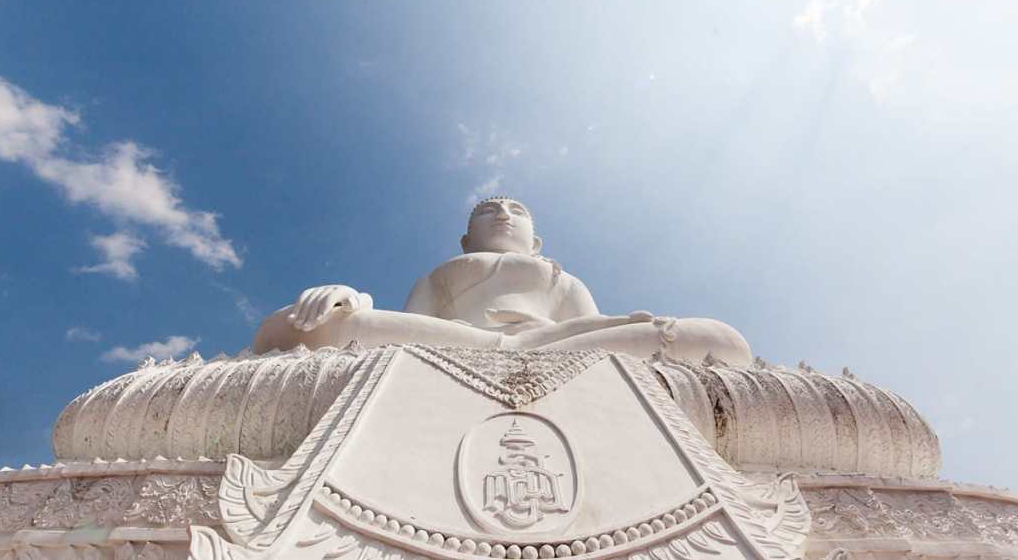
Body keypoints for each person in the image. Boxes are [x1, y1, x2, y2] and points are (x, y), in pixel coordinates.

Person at [252, 197, 752, 364]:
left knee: (719, 341)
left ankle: (524, 347)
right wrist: (352, 301)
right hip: (453, 343)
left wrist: (623, 324)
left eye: (515, 211)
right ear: (467, 241)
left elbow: (593, 328)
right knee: (290, 327)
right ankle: (511, 349)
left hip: (554, 342)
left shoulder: (560, 277)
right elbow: (405, 326)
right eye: (489, 211)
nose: (503, 214)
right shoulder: (441, 274)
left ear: (535, 243)